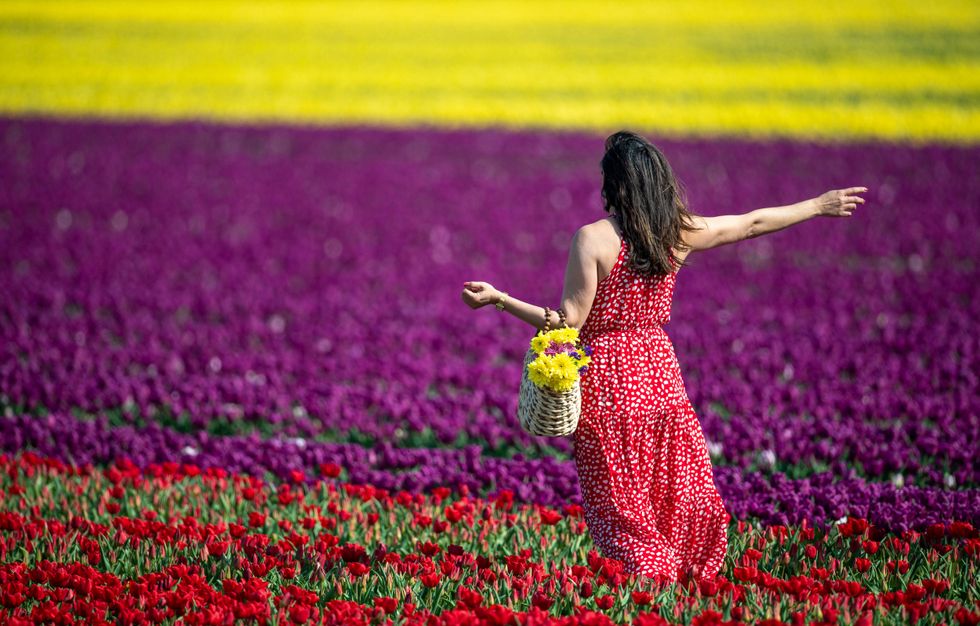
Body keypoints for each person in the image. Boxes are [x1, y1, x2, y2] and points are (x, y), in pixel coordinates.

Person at [461, 130, 867, 584]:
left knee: (624, 501)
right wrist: (818, 205)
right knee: (674, 486)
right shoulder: (675, 233)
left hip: (609, 386)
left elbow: (566, 323)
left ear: (612, 184)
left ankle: (650, 578)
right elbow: (750, 223)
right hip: (660, 380)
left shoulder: (592, 239)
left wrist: (500, 299)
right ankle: (687, 577)